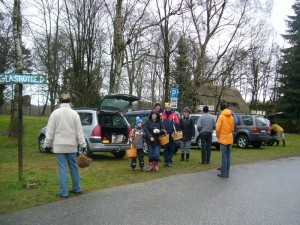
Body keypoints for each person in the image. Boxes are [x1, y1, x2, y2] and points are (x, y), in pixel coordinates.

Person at [44, 93, 86, 197]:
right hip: (71, 145)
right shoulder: (74, 114)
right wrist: (82, 144)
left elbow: (50, 131)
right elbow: (79, 131)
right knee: (73, 167)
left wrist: (47, 144)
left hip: (59, 145)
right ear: (69, 102)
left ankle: (63, 191)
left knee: (62, 168)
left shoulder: (55, 113)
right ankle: (77, 188)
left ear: (60, 102)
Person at [215, 102, 234, 178]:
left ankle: (223, 173)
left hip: (223, 138)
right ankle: (227, 173)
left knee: (224, 156)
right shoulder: (231, 116)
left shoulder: (221, 116)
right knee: (228, 156)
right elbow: (232, 128)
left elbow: (217, 128)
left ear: (221, 108)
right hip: (230, 137)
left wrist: (218, 136)